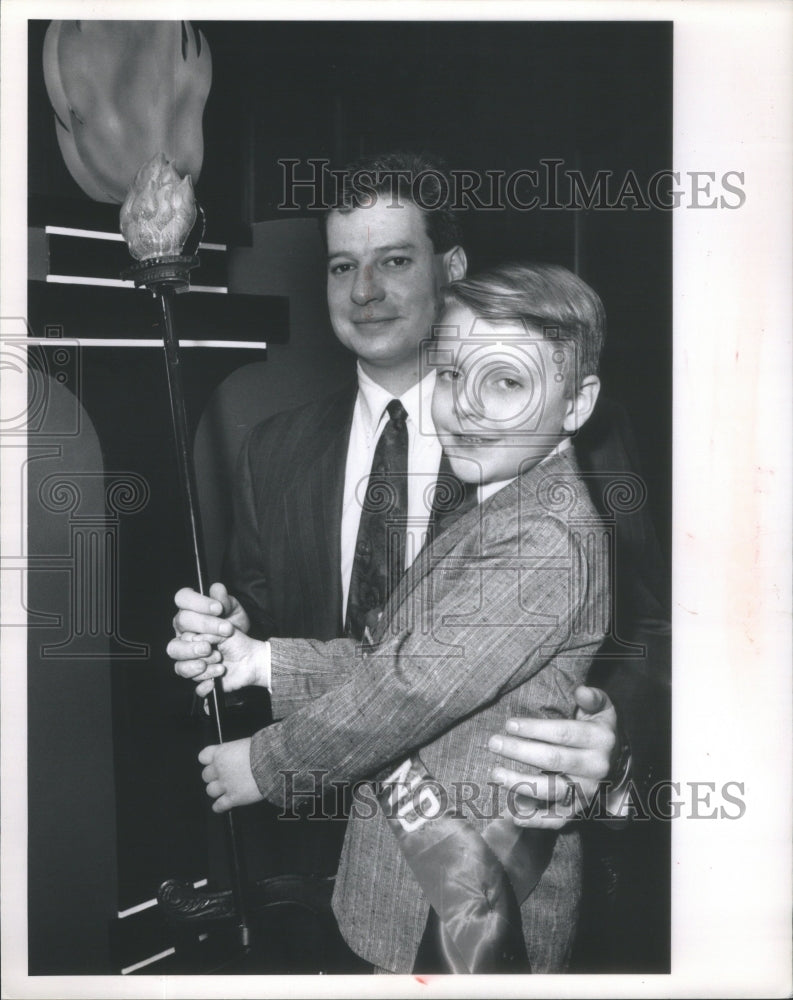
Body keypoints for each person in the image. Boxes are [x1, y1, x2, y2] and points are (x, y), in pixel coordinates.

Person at [173, 262, 611, 973]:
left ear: (576, 403)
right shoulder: (502, 503)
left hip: (474, 910)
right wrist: (256, 661)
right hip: (407, 892)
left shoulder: (545, 539)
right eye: (451, 374)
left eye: (506, 382)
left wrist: (266, 763)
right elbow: (399, 656)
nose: (466, 407)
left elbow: (409, 685)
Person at [170, 153, 624, 833]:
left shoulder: (562, 454)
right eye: (342, 266)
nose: (363, 291)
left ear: (452, 267)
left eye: (395, 260)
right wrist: (232, 639)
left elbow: (647, 643)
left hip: (478, 853)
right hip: (305, 843)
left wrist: (616, 765)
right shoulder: (271, 449)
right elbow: (302, 634)